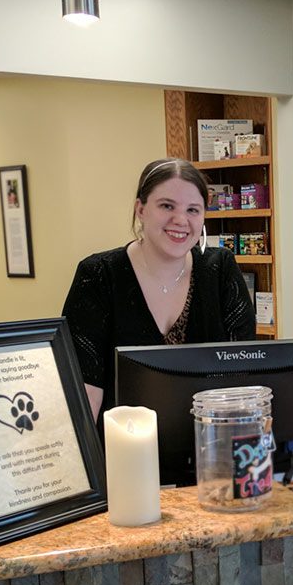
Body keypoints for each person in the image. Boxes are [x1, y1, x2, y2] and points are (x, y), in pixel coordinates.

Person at [62, 158, 255, 424]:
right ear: (140, 209)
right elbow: (85, 392)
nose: (181, 220)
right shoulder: (98, 275)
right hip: (120, 446)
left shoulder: (220, 269)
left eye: (193, 210)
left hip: (209, 442)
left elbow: (243, 374)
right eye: (167, 206)